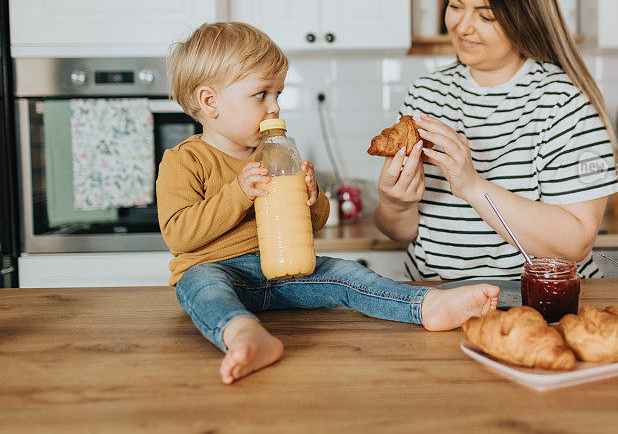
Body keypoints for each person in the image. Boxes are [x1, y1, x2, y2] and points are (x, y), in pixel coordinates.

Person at [157, 22, 500, 385]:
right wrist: (238, 194)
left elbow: (313, 225)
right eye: (261, 94)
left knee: (345, 273)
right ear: (211, 102)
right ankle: (243, 334)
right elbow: (179, 236)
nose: (274, 107)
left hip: (285, 272)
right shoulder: (185, 160)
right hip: (221, 271)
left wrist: (312, 197)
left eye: (278, 94)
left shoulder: (275, 152)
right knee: (200, 284)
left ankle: (426, 305)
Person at [374, 0, 618, 281]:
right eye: (456, 6)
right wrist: (394, 203)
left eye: (486, 15)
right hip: (435, 301)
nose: (462, 26)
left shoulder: (564, 103)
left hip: (531, 306)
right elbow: (402, 231)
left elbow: (577, 241)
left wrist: (472, 185)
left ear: (525, 18)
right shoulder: (426, 94)